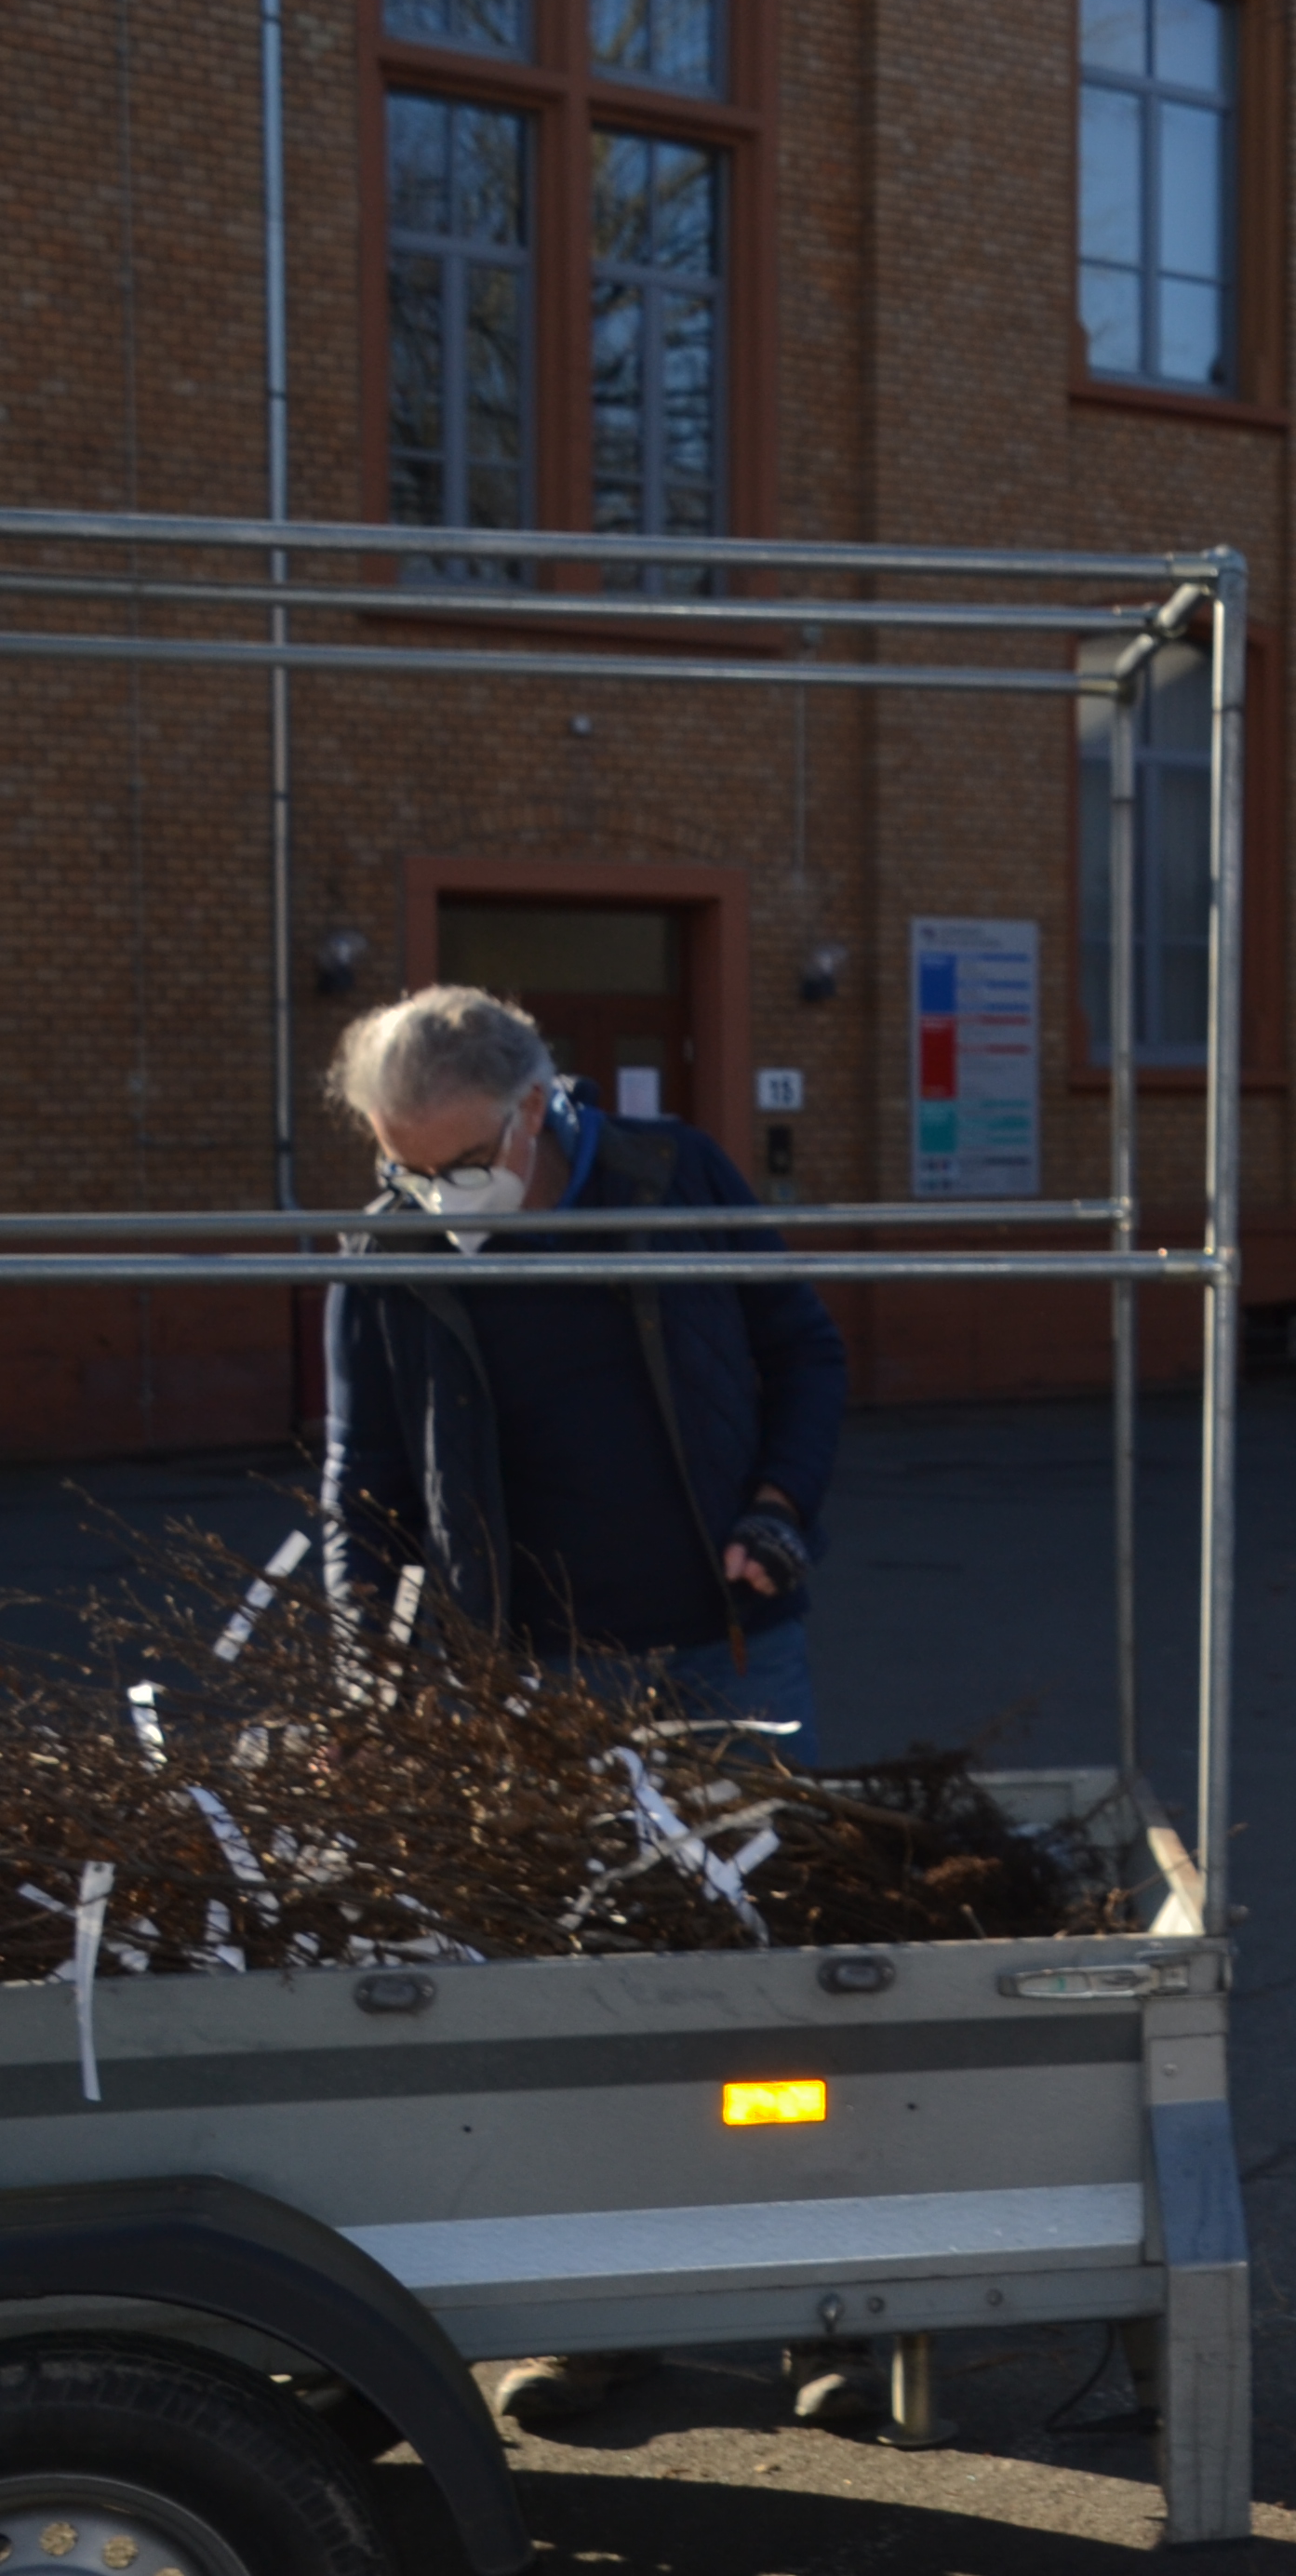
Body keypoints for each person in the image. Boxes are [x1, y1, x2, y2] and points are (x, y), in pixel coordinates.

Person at [319, 981, 859, 2430]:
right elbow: (360, 1480)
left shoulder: (672, 1178)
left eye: (455, 1159)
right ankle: (608, 2317)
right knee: (576, 1991)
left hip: (720, 1647)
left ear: (534, 1105)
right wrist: (362, 1670)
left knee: (771, 1970)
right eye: (402, 1164)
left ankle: (832, 2306)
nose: (434, 1190)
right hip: (530, 1679)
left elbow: (803, 1348)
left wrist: (779, 1507)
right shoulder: (387, 1247)